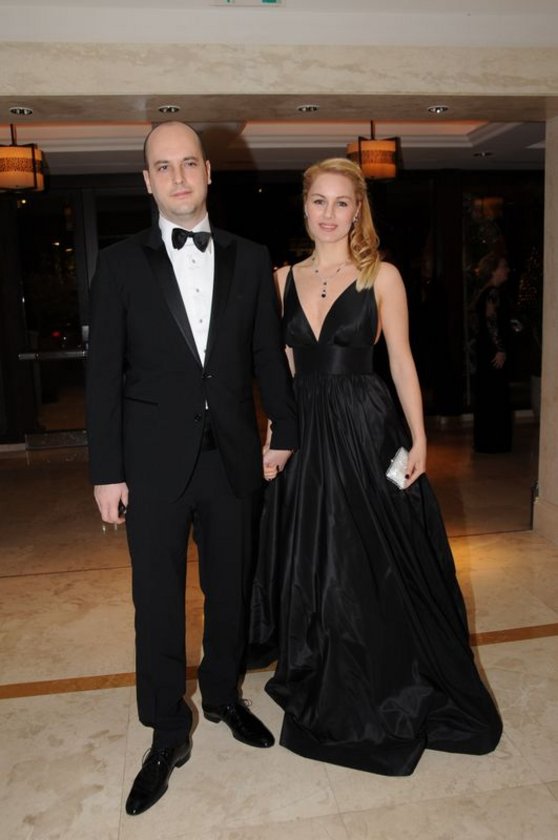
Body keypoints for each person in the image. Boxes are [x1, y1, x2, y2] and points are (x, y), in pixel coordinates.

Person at [250, 158, 502, 776]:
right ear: (304, 206)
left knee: (371, 555)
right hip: (306, 433)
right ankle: (324, 667)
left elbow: (401, 361)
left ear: (357, 211)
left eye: (342, 203)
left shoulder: (380, 275)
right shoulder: (279, 280)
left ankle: (382, 679)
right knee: (316, 558)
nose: (329, 213)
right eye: (319, 201)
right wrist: (275, 434)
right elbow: (283, 369)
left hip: (365, 427)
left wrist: (419, 438)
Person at [86, 121, 298, 815]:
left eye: (188, 164)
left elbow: (267, 355)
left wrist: (284, 430)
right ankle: (165, 730)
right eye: (162, 166)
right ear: (147, 181)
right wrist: (106, 471)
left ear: (208, 172)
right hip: (150, 465)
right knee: (157, 602)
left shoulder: (251, 257)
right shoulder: (119, 264)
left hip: (234, 457)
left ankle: (223, 696)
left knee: (230, 591)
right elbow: (102, 376)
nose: (177, 177)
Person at [473, 253, 513, 453]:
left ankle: (488, 441)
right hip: (493, 352)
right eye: (503, 266)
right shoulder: (493, 293)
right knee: (495, 395)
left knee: (489, 395)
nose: (507, 270)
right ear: (494, 271)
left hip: (486, 350)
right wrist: (500, 349)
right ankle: (495, 441)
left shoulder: (485, 292)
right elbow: (491, 323)